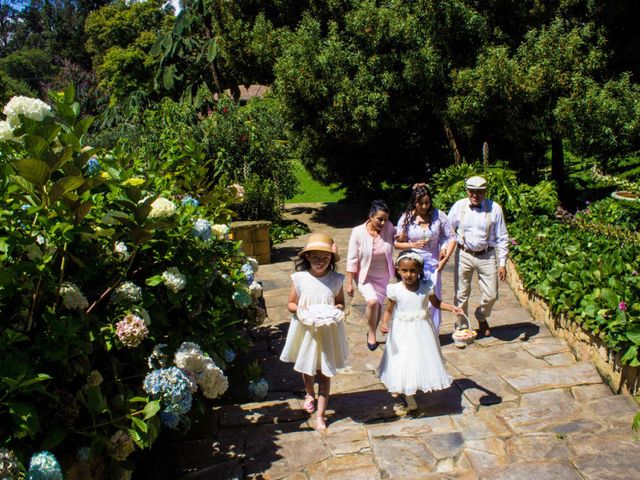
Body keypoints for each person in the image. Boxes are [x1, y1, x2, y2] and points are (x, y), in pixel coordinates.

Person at [377, 250, 463, 415]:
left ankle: (412, 386)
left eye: (413, 271)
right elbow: (388, 310)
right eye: (404, 271)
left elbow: (436, 303)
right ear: (398, 270)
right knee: (402, 359)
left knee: (418, 358)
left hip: (422, 330)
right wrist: (384, 323)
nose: (408, 275)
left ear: (419, 271)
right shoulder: (395, 289)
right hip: (401, 330)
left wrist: (451, 308)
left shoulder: (426, 287)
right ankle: (407, 392)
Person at [279, 232, 348, 432]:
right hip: (307, 331)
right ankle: (309, 392)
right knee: (307, 367)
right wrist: (300, 309)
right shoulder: (300, 279)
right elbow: (291, 304)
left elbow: (340, 302)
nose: (320, 262)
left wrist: (338, 309)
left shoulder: (335, 280)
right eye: (316, 257)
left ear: (331, 259)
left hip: (327, 331)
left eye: (325, 258)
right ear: (307, 257)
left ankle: (321, 416)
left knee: (324, 372)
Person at [447, 176, 509, 338]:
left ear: (485, 191)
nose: (475, 195)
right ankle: (461, 327)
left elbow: (502, 236)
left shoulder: (494, 208)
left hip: (487, 255)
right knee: (461, 294)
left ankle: (481, 316)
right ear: (467, 191)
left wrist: (502, 263)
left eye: (479, 192)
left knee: (491, 294)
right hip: (464, 254)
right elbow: (447, 230)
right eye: (472, 191)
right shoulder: (459, 207)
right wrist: (444, 250)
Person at [394, 184, 457, 333]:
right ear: (414, 202)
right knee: (414, 298)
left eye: (427, 202)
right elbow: (396, 243)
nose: (423, 206)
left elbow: (451, 237)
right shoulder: (407, 218)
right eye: (420, 203)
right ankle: (414, 332)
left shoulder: (438, 215)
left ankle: (432, 333)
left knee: (433, 298)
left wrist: (445, 257)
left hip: (434, 264)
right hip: (413, 264)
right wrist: (412, 244)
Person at [345, 199, 396, 351]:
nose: (382, 222)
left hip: (383, 276)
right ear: (371, 216)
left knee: (378, 306)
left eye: (385, 219)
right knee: (372, 302)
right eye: (379, 219)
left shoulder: (389, 227)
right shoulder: (357, 232)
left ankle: (371, 331)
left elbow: (401, 234)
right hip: (365, 276)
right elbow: (352, 259)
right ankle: (372, 333)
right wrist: (349, 283)